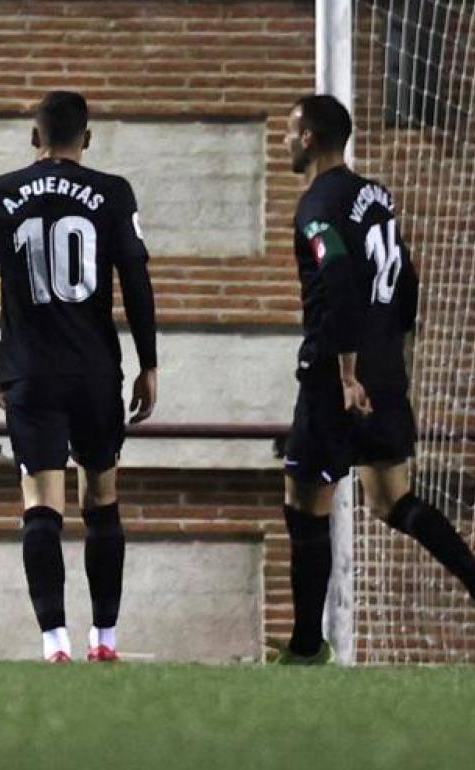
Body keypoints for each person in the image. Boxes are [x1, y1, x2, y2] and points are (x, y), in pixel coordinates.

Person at [276, 94, 475, 664]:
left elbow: (336, 272)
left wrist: (344, 372)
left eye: (291, 131)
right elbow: (406, 275)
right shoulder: (375, 196)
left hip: (337, 373)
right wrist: (396, 350)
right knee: (393, 500)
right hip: (384, 366)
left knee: (303, 501)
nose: (286, 140)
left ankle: (306, 646)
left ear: (310, 138)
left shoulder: (317, 202)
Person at [0, 90, 157, 663]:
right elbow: (137, 283)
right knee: (101, 497)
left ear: (34, 137)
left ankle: (55, 643)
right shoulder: (113, 192)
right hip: (95, 369)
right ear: (87, 139)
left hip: (30, 370)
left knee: (40, 502)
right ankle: (107, 640)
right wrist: (149, 363)